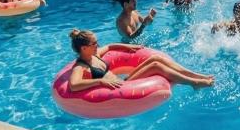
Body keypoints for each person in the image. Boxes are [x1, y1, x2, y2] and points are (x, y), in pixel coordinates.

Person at [66, 29, 214, 91]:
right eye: (94, 43)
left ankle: (196, 75)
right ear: (84, 48)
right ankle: (194, 83)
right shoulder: (81, 66)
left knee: (156, 58)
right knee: (155, 65)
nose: (97, 45)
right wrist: (100, 81)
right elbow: (73, 85)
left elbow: (110, 46)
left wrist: (128, 46)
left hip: (124, 80)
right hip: (121, 87)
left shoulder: (95, 55)